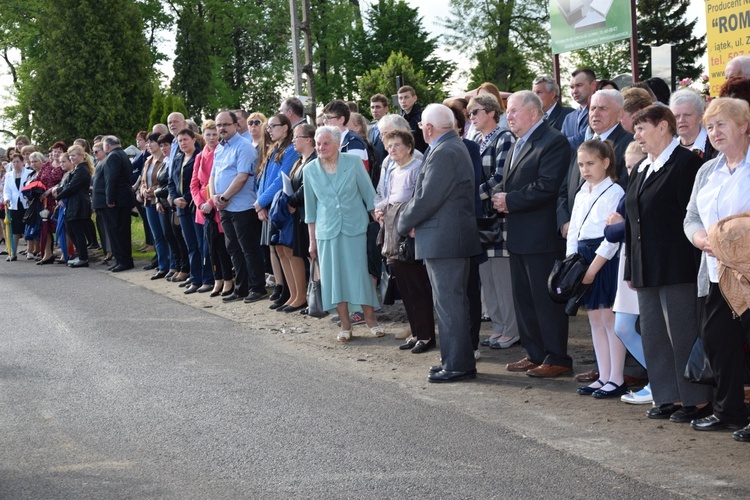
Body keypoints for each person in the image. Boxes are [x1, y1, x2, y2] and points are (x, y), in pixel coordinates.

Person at [624, 105, 713, 423]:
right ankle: (667, 396)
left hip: (677, 267)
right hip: (646, 267)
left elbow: (692, 219)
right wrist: (630, 269)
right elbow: (631, 224)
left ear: (663, 127)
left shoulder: (686, 164)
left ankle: (696, 399)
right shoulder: (641, 169)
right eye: (635, 129)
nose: (636, 136)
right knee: (654, 335)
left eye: (641, 128)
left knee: (682, 333)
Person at [397, 104, 482, 382]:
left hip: (446, 241)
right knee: (449, 303)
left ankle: (458, 365)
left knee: (450, 304)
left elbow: (427, 198)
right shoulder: (450, 146)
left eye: (421, 125)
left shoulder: (445, 151)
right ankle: (454, 360)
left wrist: (402, 221)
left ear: (429, 128)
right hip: (446, 239)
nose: (420, 129)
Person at [492, 91, 572, 378]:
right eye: (507, 111)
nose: (508, 116)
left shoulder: (553, 141)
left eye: (513, 111)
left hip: (542, 237)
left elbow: (549, 186)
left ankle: (557, 357)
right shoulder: (517, 143)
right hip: (519, 236)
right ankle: (535, 353)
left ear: (535, 113)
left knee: (544, 300)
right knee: (524, 299)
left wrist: (509, 201)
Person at [683, 97, 750, 436]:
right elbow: (691, 216)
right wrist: (700, 239)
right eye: (709, 127)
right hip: (713, 274)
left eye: (721, 124)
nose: (714, 132)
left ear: (743, 125)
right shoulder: (708, 170)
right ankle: (729, 412)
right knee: (718, 342)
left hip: (747, 274)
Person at [304, 126, 383, 342]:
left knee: (359, 275)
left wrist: (381, 223)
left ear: (338, 144)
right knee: (333, 278)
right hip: (326, 231)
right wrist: (312, 241)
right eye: (318, 143)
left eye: (326, 143)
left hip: (354, 227)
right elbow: (310, 210)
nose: (321, 147)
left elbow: (369, 195)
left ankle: (371, 320)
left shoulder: (353, 162)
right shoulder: (309, 170)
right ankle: (345, 325)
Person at [567, 140, 626, 398]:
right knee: (594, 318)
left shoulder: (615, 192)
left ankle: (617, 377)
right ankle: (603, 375)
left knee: (609, 318)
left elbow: (612, 238)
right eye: (581, 164)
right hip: (582, 256)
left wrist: (592, 269)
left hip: (603, 258)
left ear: (605, 162)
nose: (585, 169)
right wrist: (571, 262)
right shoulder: (582, 192)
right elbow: (574, 230)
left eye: (590, 163)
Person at [467, 94, 519, 350]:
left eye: (474, 112)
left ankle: (511, 329)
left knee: (501, 277)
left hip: (498, 220)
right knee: (487, 278)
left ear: (490, 111)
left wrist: (471, 195)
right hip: (480, 219)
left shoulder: (504, 137)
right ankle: (498, 327)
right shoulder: (475, 139)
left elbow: (502, 177)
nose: (471, 118)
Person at [374, 129, 433, 353]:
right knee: (405, 286)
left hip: (408, 229)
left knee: (417, 284)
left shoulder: (416, 168)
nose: (392, 150)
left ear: (409, 147)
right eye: (389, 146)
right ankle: (416, 332)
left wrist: (411, 224)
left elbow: (419, 198)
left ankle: (427, 336)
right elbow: (389, 196)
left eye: (397, 145)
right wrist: (381, 210)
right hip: (392, 228)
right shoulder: (392, 169)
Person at [603, 142, 652, 404]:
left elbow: (618, 229)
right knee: (622, 327)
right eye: (629, 166)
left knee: (642, 328)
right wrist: (620, 226)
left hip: (642, 263)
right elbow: (610, 231)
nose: (632, 171)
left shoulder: (645, 189)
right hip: (627, 263)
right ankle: (658, 377)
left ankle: (659, 381)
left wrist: (620, 225)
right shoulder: (628, 191)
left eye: (638, 165)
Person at [558, 90, 632, 239]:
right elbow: (565, 189)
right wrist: (564, 221)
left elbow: (626, 189)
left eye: (603, 108)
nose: (595, 113)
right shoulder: (583, 146)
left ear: (620, 114)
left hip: (605, 235)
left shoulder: (629, 145)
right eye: (592, 108)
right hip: (575, 235)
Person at [210, 111, 267, 304]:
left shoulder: (244, 147)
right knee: (233, 248)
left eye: (226, 124)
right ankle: (241, 288)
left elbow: (242, 176)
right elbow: (213, 175)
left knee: (248, 249)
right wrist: (214, 197)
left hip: (242, 207)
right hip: (224, 207)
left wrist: (224, 196)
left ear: (235, 125)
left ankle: (257, 287)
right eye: (219, 125)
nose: (222, 128)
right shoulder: (219, 148)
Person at [255, 114, 300, 309]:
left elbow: (280, 180)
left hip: (281, 206)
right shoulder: (275, 149)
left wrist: (261, 201)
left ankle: (294, 293)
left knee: (287, 250)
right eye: (269, 127)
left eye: (273, 126)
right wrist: (261, 203)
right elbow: (262, 179)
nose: (269, 130)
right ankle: (285, 289)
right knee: (277, 249)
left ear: (285, 127)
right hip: (270, 205)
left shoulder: (290, 150)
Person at [190, 120, 234, 297]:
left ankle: (228, 280)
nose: (211, 138)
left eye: (214, 134)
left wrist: (211, 202)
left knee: (222, 246)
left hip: (218, 204)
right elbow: (194, 183)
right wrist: (201, 204)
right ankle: (217, 279)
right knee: (209, 246)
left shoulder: (222, 152)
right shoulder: (200, 156)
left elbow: (219, 179)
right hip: (204, 208)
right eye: (208, 134)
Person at [170, 128, 212, 294]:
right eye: (180, 141)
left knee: (203, 245)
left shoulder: (199, 156)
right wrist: (174, 198)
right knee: (191, 246)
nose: (183, 143)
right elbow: (171, 182)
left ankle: (207, 279)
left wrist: (187, 198)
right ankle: (195, 279)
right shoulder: (178, 157)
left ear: (193, 140)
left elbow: (198, 183)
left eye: (186, 139)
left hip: (195, 206)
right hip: (180, 208)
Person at [155, 133, 189, 282]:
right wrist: (157, 198)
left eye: (166, 145)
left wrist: (157, 192)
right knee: (169, 236)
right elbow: (164, 183)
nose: (163, 148)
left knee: (179, 237)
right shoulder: (165, 162)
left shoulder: (175, 160)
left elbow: (172, 185)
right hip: (164, 204)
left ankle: (184, 267)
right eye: (161, 145)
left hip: (175, 204)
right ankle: (175, 265)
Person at [53, 146, 93, 268]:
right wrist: (58, 190)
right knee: (71, 229)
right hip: (73, 203)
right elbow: (68, 185)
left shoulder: (82, 170)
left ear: (82, 155)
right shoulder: (77, 169)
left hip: (79, 204)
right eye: (70, 155)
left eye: (74, 155)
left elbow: (72, 187)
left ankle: (83, 258)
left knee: (77, 231)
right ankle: (81, 256)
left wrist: (58, 196)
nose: (72, 157)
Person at [102, 136, 136, 272]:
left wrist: (109, 199)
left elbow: (112, 179)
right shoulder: (122, 154)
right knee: (120, 230)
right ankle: (121, 260)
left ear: (107, 146)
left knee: (118, 231)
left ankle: (124, 260)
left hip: (118, 199)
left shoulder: (113, 156)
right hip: (124, 197)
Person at [138, 132, 170, 279]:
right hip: (149, 202)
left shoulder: (165, 160)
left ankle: (171, 265)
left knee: (167, 234)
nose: (149, 145)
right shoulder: (148, 160)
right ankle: (162, 266)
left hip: (160, 202)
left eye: (152, 142)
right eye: (148, 142)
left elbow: (162, 181)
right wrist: (143, 190)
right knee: (157, 236)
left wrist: (151, 191)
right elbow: (144, 180)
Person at [287, 123, 316, 274]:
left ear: (308, 140)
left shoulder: (314, 160)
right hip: (301, 214)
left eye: (296, 137)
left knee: (316, 257)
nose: (293, 141)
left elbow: (308, 186)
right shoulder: (300, 161)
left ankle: (322, 294)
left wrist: (292, 200)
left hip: (311, 214)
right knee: (309, 257)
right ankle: (316, 292)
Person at [669, 89, 715, 161]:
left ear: (700, 117)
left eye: (687, 115)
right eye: (676, 116)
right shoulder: (669, 149)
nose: (681, 120)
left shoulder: (714, 145)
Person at [2, 153, 30, 260]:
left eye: (18, 161)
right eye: (14, 162)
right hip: (14, 204)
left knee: (27, 227)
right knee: (15, 230)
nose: (16, 164)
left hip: (26, 203)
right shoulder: (8, 175)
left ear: (22, 162)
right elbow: (7, 190)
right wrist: (6, 199)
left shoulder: (29, 173)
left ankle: (30, 251)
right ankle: (13, 253)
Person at [562, 68, 597, 150]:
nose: (574, 91)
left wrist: (561, 144)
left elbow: (583, 139)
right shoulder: (568, 118)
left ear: (593, 85)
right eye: (571, 87)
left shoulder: (599, 112)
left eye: (579, 85)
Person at [397, 85, 427, 153]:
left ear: (415, 98)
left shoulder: (422, 117)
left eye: (406, 97)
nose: (403, 101)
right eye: (400, 98)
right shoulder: (400, 120)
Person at [368, 93, 389, 162]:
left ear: (386, 109)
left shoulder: (392, 127)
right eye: (372, 107)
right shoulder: (370, 130)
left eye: (378, 107)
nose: (374, 110)